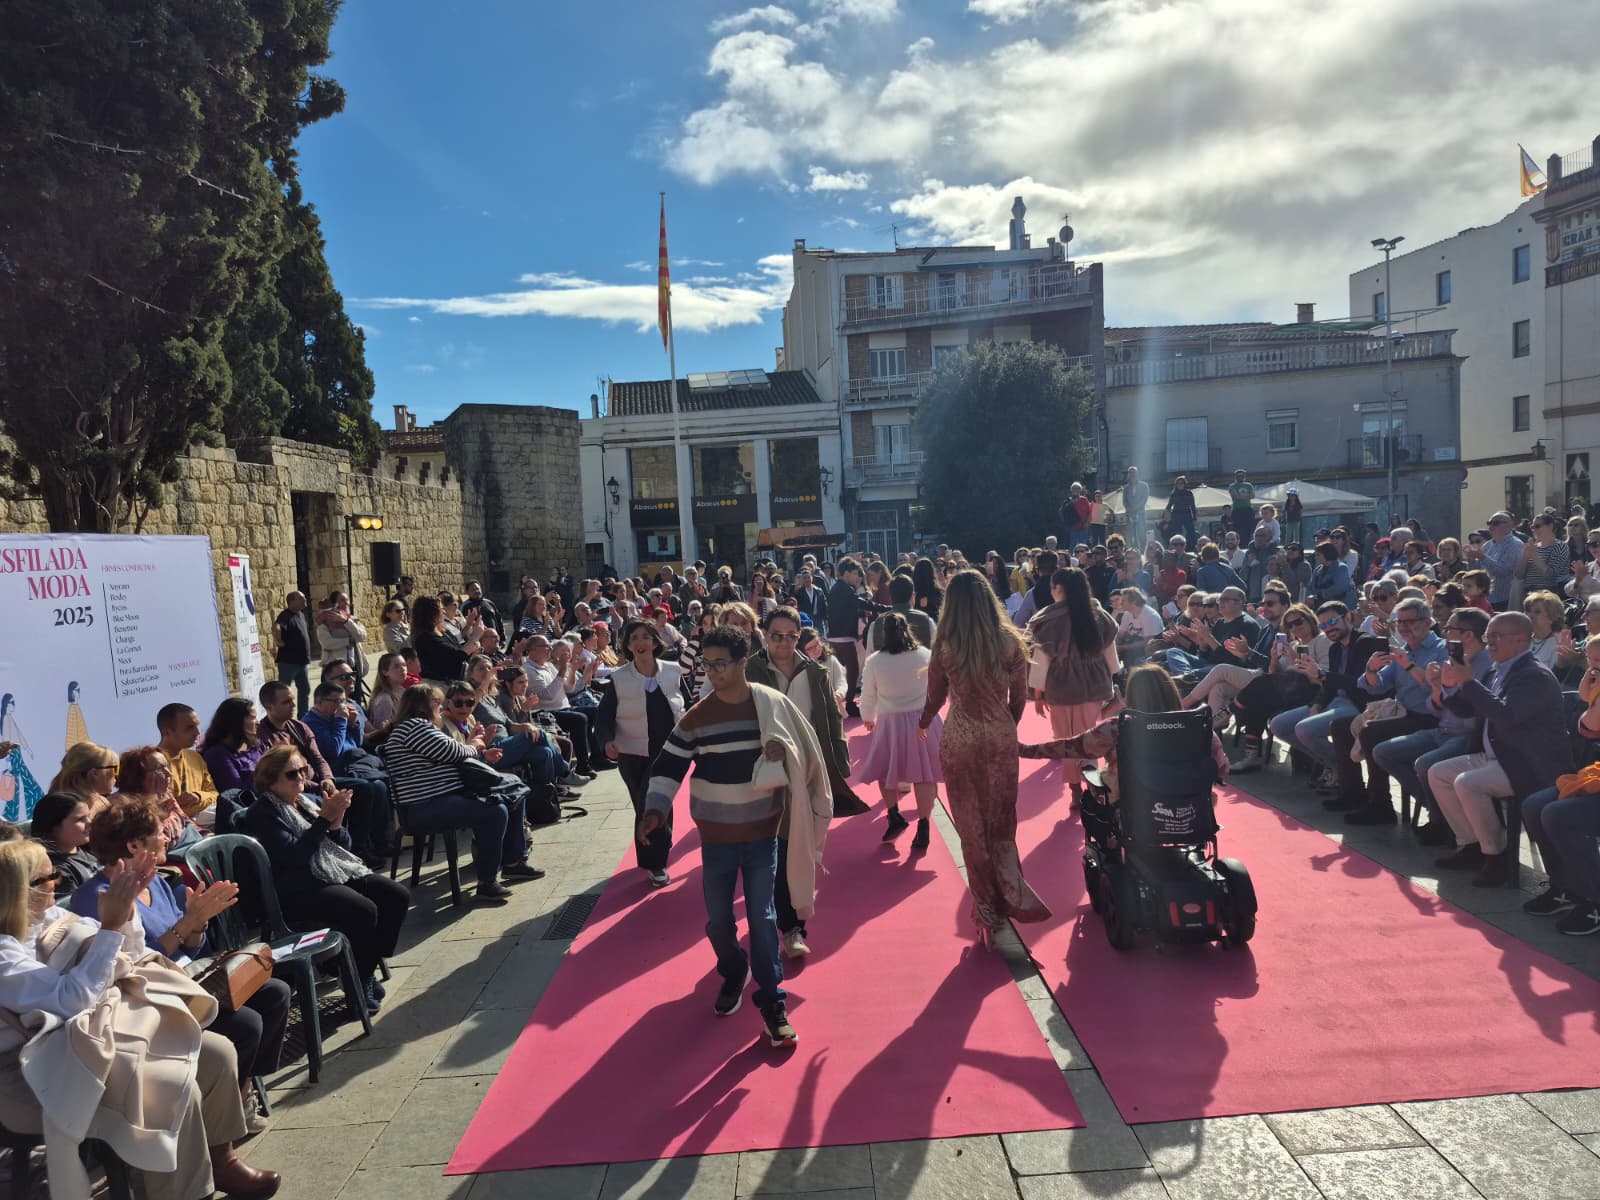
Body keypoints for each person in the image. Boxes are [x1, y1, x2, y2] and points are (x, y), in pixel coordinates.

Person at [0, 841, 282, 1200]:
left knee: (217, 1052)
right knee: (178, 1086)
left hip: (96, 1036)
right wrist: (111, 927)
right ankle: (184, 1193)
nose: (58, 880)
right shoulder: (4, 955)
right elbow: (71, 1000)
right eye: (48, 875)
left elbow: (130, 956)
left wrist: (125, 915)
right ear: (18, 891)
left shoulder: (51, 918)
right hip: (36, 1069)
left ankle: (220, 1159)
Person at [639, 626, 828, 1049]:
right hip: (717, 837)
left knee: (762, 919)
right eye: (708, 664)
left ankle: (772, 1003)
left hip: (763, 832)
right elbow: (669, 763)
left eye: (721, 663)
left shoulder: (770, 707)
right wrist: (655, 809)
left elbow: (802, 746)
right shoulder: (698, 716)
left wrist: (779, 750)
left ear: (743, 663)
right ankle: (732, 969)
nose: (713, 671)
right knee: (719, 921)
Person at [69, 797, 290, 1128]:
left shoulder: (154, 878)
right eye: (158, 832)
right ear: (133, 844)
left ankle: (240, 1095)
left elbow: (192, 948)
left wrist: (197, 922)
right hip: (150, 999)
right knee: (246, 1025)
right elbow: (129, 966)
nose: (166, 838)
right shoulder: (96, 896)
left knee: (275, 992)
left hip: (187, 980)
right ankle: (220, 1120)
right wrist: (187, 924)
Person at [919, 570, 1049, 942]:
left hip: (959, 739)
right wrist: (1006, 725)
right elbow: (1020, 698)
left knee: (971, 830)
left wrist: (925, 722)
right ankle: (1011, 895)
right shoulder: (1010, 642)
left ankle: (986, 908)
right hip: (999, 739)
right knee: (1002, 824)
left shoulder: (945, 645)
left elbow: (935, 696)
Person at [243, 745, 416, 1009]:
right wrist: (324, 820)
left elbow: (339, 846)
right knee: (364, 910)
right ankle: (357, 979)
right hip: (295, 887)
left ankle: (361, 969)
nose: (301, 778)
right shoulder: (262, 813)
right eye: (292, 774)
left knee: (395, 895)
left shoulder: (302, 802)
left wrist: (336, 822)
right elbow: (294, 858)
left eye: (303, 770)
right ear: (270, 781)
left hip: (326, 872)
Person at [1427, 612, 1573, 886]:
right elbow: (1468, 710)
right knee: (1438, 773)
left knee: (1467, 783)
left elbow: (1507, 715)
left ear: (1520, 639)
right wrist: (1448, 686)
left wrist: (1469, 682)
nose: (1489, 642)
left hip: (1529, 762)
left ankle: (1497, 857)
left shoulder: (1534, 675)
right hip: (1499, 755)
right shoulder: (1499, 668)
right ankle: (1472, 845)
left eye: (1496, 636)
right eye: (1488, 636)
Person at [1020, 665, 1230, 844]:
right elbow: (1222, 768)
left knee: (1093, 774)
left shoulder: (1119, 728)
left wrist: (1025, 750)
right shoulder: (1198, 728)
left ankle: (1109, 848)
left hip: (1134, 811)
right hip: (1190, 812)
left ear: (1132, 696)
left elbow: (1070, 747)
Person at [382, 685, 527, 903]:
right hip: (425, 806)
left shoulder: (417, 727)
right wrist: (475, 745)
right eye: (438, 704)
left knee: (511, 793)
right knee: (496, 811)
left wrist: (473, 746)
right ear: (427, 705)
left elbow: (451, 750)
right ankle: (488, 881)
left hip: (440, 799)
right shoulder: (414, 727)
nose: (440, 709)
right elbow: (454, 751)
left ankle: (512, 862)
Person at [1328, 597, 1450, 825]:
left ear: (1426, 622)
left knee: (1371, 731)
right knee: (1341, 726)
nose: (1403, 628)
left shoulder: (1441, 649)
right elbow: (1378, 685)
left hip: (1430, 717)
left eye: (1410, 622)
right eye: (1399, 623)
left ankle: (1381, 803)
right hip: (1403, 713)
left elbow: (1439, 686)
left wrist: (1409, 666)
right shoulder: (1403, 650)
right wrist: (1371, 671)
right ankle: (1353, 792)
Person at [596, 619, 685, 890]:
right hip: (632, 752)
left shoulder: (672, 671)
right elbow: (604, 716)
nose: (640, 642)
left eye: (645, 636)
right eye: (634, 637)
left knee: (655, 799)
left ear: (655, 642)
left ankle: (655, 863)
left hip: (668, 750)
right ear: (627, 645)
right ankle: (658, 845)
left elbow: (688, 706)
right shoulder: (620, 678)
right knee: (642, 802)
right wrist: (607, 741)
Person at [1027, 567, 1119, 806]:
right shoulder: (1098, 616)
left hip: (1061, 688)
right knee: (1090, 740)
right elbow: (1111, 658)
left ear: (1058, 589)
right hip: (1093, 687)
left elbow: (1041, 661)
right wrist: (1110, 681)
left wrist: (1038, 693)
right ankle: (1093, 787)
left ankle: (1076, 791)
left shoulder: (1048, 620)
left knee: (1065, 741)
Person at [859, 612, 942, 852]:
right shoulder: (925, 655)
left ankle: (894, 814)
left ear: (884, 634)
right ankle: (924, 825)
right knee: (926, 775)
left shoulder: (875, 660)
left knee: (885, 771)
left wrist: (867, 717)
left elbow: (868, 694)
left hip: (890, 722)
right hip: (923, 721)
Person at [116, 746, 205, 854]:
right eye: (160, 769)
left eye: (167, 766)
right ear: (139, 776)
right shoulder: (126, 807)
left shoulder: (165, 795)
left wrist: (208, 836)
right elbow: (152, 849)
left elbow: (187, 823)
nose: (169, 774)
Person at [155, 703, 221, 828]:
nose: (197, 732)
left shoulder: (195, 757)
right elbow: (155, 809)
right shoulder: (151, 764)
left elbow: (214, 794)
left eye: (197, 726)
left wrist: (198, 796)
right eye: (189, 728)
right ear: (167, 732)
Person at [28, 791, 100, 896]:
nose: (90, 823)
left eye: (88, 816)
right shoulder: (55, 870)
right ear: (53, 826)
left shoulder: (91, 849)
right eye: (80, 819)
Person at [826, 557, 868, 716]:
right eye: (856, 573)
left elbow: (846, 610)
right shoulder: (844, 589)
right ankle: (849, 704)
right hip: (843, 639)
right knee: (851, 673)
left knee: (838, 673)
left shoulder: (837, 587)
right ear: (847, 573)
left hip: (835, 637)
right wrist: (885, 608)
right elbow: (860, 604)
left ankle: (838, 704)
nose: (858, 577)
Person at [200, 696, 265, 795]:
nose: (258, 722)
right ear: (237, 721)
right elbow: (237, 793)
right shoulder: (217, 755)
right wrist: (267, 766)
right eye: (253, 718)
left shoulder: (256, 745)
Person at [45, 741, 119, 820]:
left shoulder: (52, 801)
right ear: (95, 773)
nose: (117, 775)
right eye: (115, 769)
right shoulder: (102, 807)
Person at [271, 591, 313, 715]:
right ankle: (281, 717)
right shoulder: (285, 615)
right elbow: (276, 627)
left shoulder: (300, 614)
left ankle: (303, 717)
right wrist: (279, 641)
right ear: (292, 601)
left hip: (301, 663)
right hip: (288, 662)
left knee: (305, 689)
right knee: (282, 692)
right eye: (301, 598)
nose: (305, 600)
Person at [1479, 512, 1523, 610]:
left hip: (1504, 599)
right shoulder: (1487, 546)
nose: (1491, 526)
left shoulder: (1515, 544)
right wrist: (1472, 560)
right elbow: (1480, 573)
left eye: (1496, 523)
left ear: (1510, 526)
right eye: (1489, 523)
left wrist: (1482, 557)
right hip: (1486, 599)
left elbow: (1504, 571)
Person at [1163, 475, 1197, 547]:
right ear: (1176, 485)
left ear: (1184, 484)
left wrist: (1194, 517)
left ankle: (1192, 547)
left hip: (1187, 513)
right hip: (1176, 514)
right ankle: (1176, 547)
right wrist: (1165, 519)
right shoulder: (1174, 494)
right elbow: (1169, 506)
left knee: (1191, 532)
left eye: (1182, 483)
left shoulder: (1189, 493)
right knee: (1177, 532)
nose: (1180, 485)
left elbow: (1193, 506)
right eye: (1178, 483)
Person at [1123, 466, 1150, 549]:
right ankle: (1133, 552)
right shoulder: (1126, 488)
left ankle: (1143, 552)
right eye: (1130, 472)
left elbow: (1144, 499)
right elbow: (1124, 501)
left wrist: (1135, 509)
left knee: (1142, 535)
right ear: (1128, 475)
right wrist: (1129, 510)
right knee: (1131, 535)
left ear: (1137, 474)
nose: (1132, 474)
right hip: (1130, 515)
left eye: (1133, 472)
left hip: (1140, 514)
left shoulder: (1144, 485)